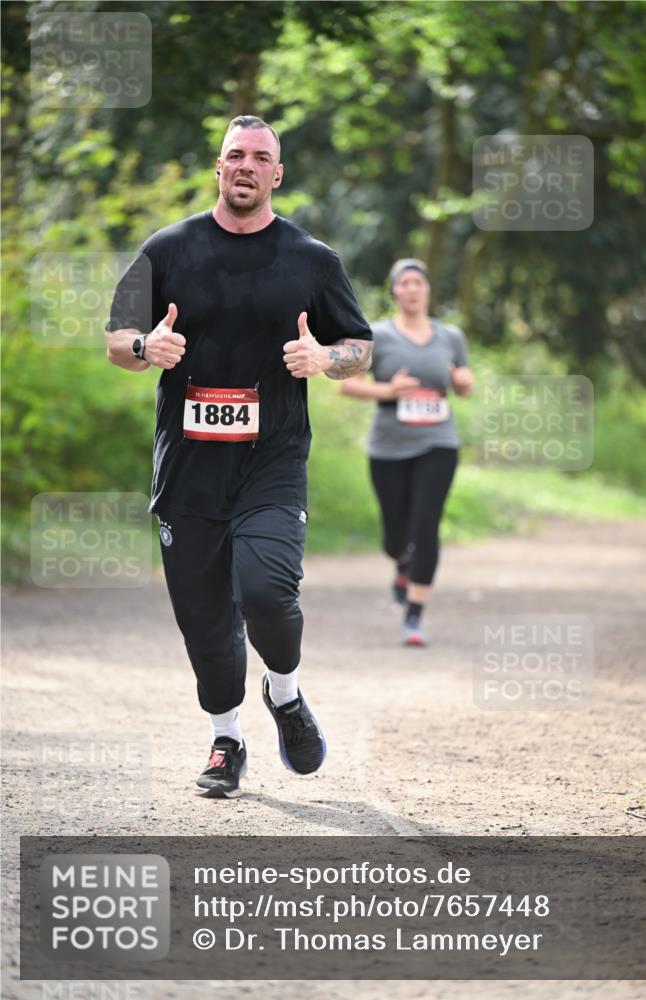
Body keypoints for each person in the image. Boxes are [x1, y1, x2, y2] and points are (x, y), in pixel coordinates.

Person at [106, 115, 372, 797]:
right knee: (203, 619)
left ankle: (283, 693)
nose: (247, 166)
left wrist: (324, 358)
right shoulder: (168, 248)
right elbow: (118, 339)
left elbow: (359, 349)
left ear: (277, 174)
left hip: (271, 461)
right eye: (235, 156)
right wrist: (145, 350)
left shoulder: (312, 260)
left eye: (261, 157)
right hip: (189, 469)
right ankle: (226, 740)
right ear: (218, 169)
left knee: (266, 593)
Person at [340, 258, 473, 647]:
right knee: (395, 536)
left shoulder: (451, 337)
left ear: (428, 290)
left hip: (439, 442)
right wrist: (388, 391)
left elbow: (463, 382)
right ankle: (401, 562)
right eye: (405, 283)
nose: (412, 289)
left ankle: (414, 616)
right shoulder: (376, 335)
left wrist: (464, 383)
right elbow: (348, 386)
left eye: (419, 283)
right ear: (395, 291)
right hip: (389, 445)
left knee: (426, 524)